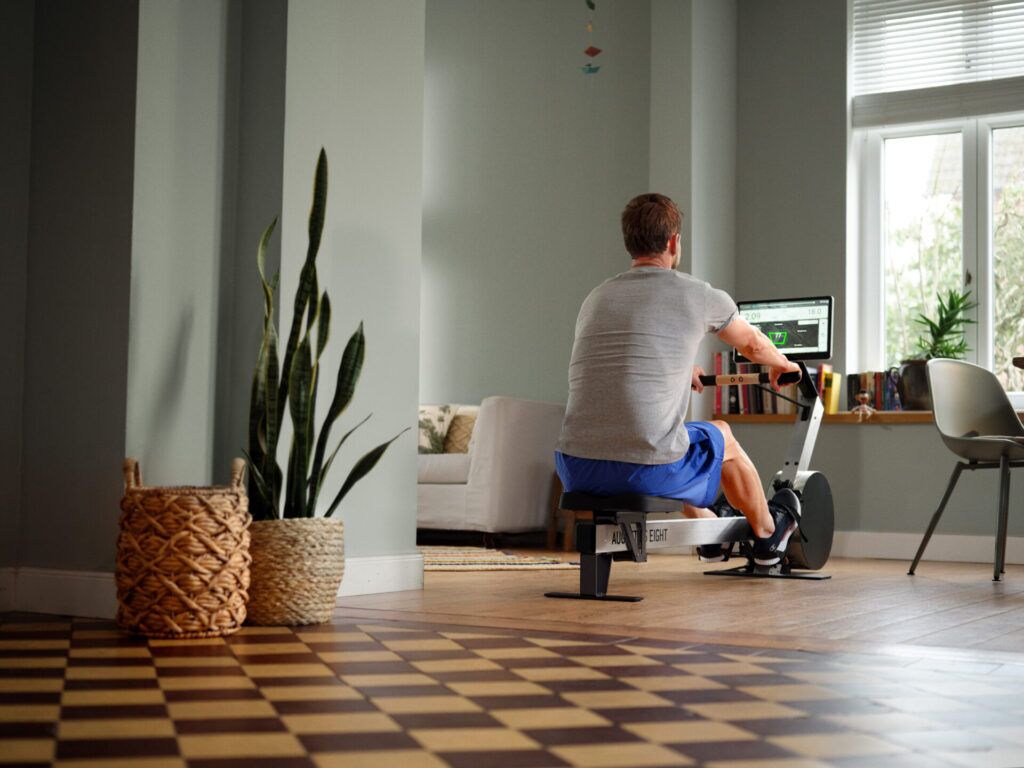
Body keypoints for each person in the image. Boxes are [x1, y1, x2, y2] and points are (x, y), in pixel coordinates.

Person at [555, 193, 804, 566]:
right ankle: (769, 535)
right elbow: (753, 344)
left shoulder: (597, 297)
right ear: (673, 242)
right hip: (643, 469)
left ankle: (711, 537)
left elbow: (619, 360)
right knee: (720, 434)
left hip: (575, 467)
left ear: (629, 242)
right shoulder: (696, 293)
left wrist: (676, 368)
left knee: (676, 435)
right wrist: (784, 364)